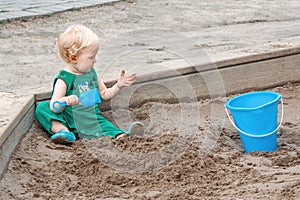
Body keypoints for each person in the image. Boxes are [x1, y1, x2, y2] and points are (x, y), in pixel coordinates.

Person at [35, 24, 143, 144]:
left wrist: (118, 85)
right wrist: (65, 100)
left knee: (105, 126)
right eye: (91, 57)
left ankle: (123, 136)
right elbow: (54, 106)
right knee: (42, 108)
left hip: (91, 118)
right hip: (68, 117)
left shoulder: (91, 73)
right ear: (74, 58)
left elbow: (105, 94)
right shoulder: (64, 79)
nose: (95, 60)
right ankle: (64, 133)